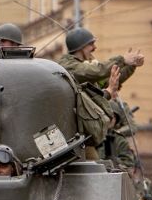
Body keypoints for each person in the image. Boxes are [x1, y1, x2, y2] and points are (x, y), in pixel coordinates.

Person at [58, 26, 144, 170]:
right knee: (96, 171)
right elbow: (98, 71)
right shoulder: (69, 66)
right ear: (81, 46)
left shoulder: (82, 68)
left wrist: (131, 65)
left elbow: (108, 80)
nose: (94, 47)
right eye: (91, 44)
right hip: (72, 135)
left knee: (97, 169)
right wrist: (122, 60)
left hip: (83, 136)